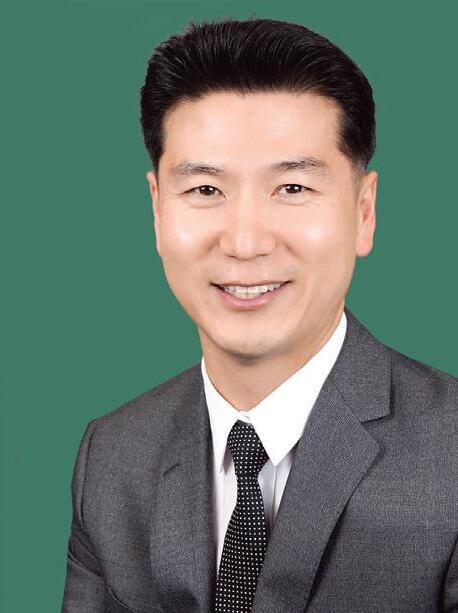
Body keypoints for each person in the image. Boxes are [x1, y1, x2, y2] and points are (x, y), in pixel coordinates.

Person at [61, 16, 458, 613]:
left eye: (292, 188)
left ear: (364, 211)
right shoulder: (112, 457)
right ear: (157, 211)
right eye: (205, 191)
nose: (245, 243)